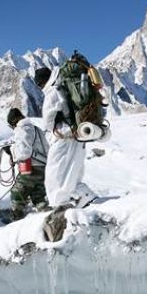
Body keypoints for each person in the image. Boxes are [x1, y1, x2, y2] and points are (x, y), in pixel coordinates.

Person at [34, 65, 97, 208]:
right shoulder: (64, 86)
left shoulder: (53, 92)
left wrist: (53, 129)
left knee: (54, 174)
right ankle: (85, 195)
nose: (40, 87)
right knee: (73, 171)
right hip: (78, 133)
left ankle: (60, 206)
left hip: (64, 136)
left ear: (43, 81)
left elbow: (48, 122)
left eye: (39, 84)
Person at [5, 108, 49, 218]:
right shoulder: (37, 129)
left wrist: (11, 150)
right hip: (43, 169)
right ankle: (47, 217)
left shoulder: (21, 129)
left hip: (30, 169)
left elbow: (24, 153)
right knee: (38, 196)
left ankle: (16, 220)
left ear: (13, 122)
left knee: (17, 194)